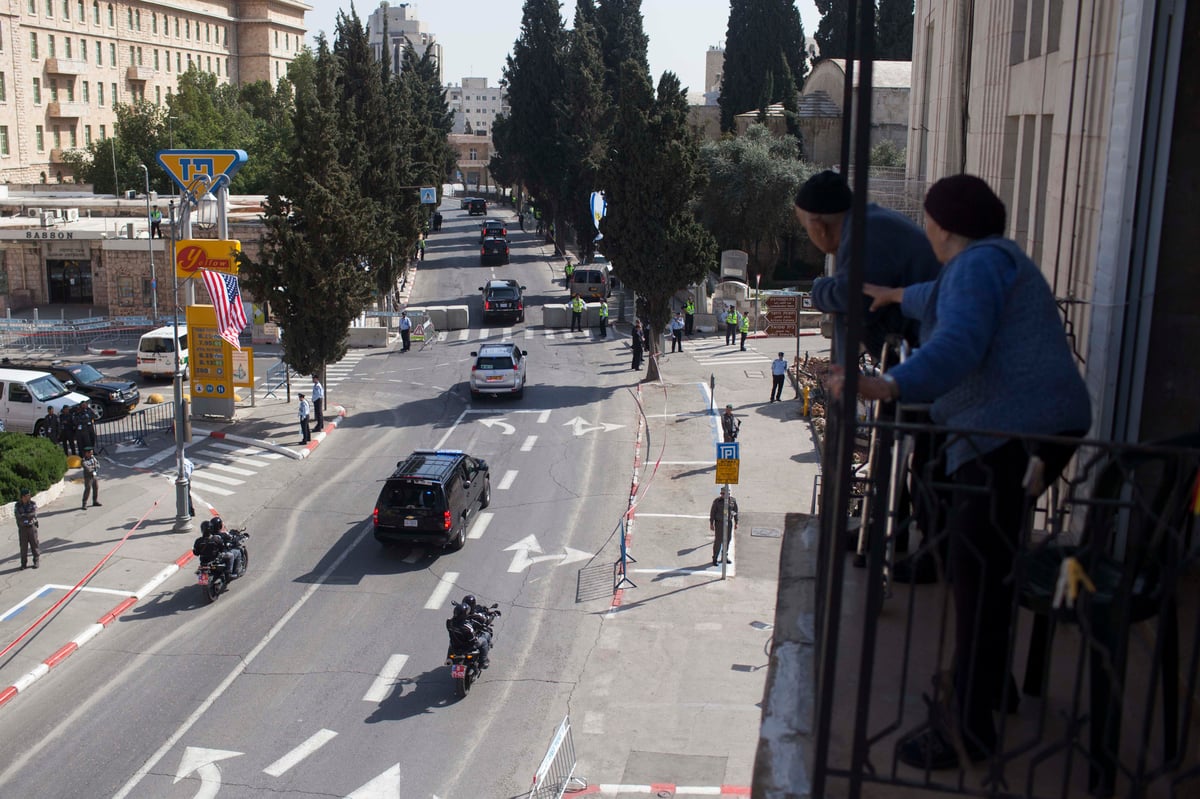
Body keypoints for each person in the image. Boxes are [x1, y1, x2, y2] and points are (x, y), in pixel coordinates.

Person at [831, 174, 1092, 770]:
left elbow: (959, 343)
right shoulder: (986, 263)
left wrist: (891, 381)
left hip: (1015, 434)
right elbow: (938, 297)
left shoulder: (977, 268)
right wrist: (896, 296)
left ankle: (967, 731)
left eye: (928, 218)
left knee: (978, 576)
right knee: (986, 565)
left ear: (942, 226)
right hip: (1029, 431)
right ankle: (991, 687)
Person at [793, 169, 941, 364]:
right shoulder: (869, 222)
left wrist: (819, 289)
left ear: (818, 227)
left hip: (929, 344)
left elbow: (855, 298)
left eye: (806, 229)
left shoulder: (863, 234)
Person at [446, 598, 491, 668]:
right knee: (484, 640)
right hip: (467, 648)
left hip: (455, 646)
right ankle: (483, 661)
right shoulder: (467, 627)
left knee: (451, 642)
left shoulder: (449, 622)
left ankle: (449, 659)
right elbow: (473, 640)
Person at [708, 486, 738, 566]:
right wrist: (711, 523)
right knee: (718, 541)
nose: (723, 495)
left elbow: (735, 511)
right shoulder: (717, 501)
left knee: (727, 540)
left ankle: (724, 557)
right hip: (719, 523)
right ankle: (715, 558)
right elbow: (713, 512)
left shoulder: (732, 501)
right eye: (722, 493)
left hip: (728, 523)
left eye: (724, 493)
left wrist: (736, 522)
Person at [15, 487, 39, 570]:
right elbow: (18, 516)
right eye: (26, 496)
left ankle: (36, 561)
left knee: (34, 545)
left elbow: (33, 514)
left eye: (29, 495)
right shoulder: (17, 505)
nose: (28, 497)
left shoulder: (32, 504)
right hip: (23, 529)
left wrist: (24, 515)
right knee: (23, 547)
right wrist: (26, 516)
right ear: (22, 497)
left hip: (32, 527)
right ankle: (23, 563)